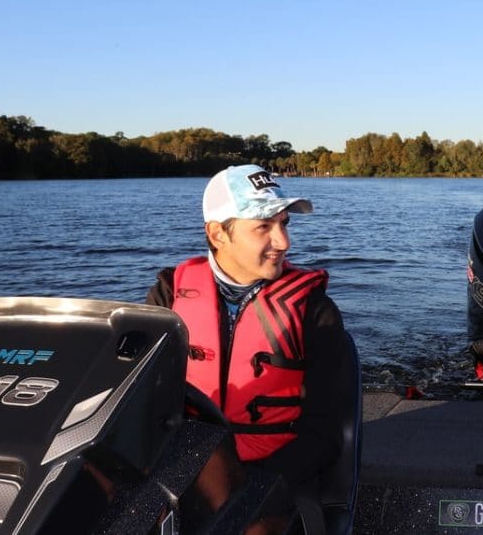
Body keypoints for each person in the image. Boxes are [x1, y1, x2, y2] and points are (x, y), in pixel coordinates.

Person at [147, 164, 353, 532]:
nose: (284, 241)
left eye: (284, 223)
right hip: (184, 468)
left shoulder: (315, 311)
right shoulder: (168, 296)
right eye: (263, 226)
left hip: (278, 474)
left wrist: (250, 486)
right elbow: (143, 402)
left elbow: (325, 433)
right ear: (217, 234)